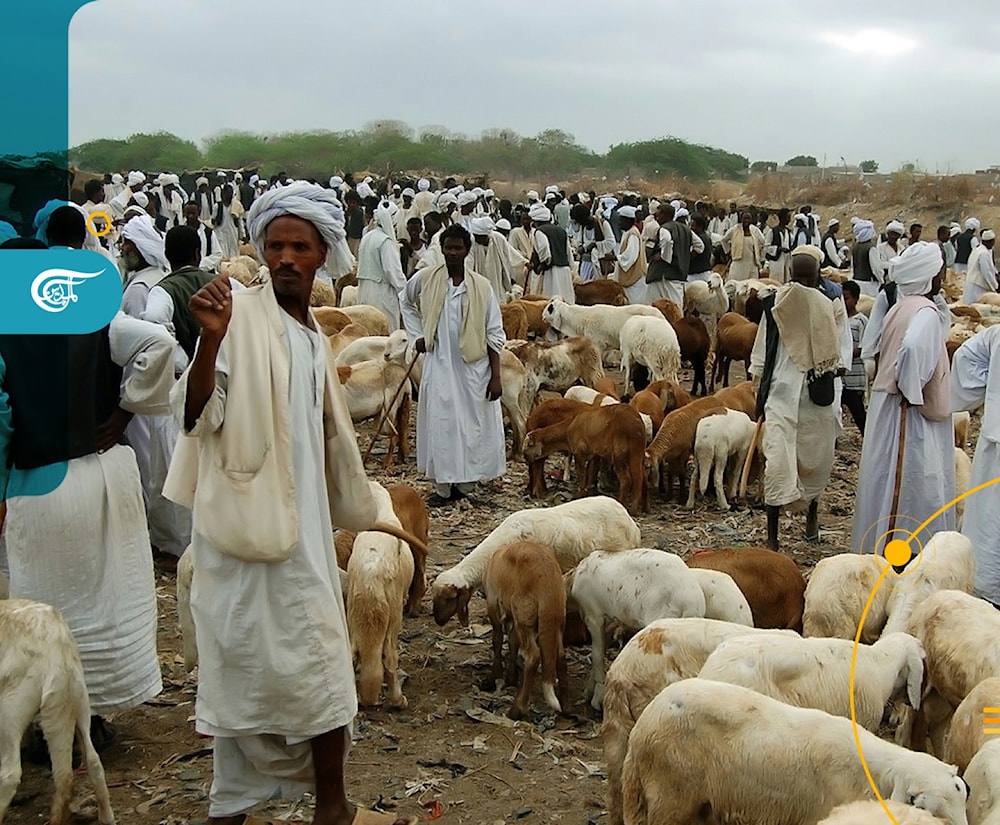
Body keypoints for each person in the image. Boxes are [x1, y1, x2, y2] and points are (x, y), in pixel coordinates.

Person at [163, 182, 414, 825]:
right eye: (274, 244)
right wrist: (210, 340)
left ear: (323, 254)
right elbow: (194, 419)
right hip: (244, 540)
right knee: (250, 680)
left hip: (302, 533)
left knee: (323, 667)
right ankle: (261, 810)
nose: (284, 257)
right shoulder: (235, 319)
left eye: (299, 246)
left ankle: (330, 805)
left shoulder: (308, 333)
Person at [0, 204, 175, 747]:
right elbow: (160, 344)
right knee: (101, 599)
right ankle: (91, 720)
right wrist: (125, 409)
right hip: (104, 475)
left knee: (44, 604)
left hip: (38, 484)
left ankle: (48, 725)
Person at [851, 242, 955, 555]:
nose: (943, 276)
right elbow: (910, 350)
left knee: (884, 477)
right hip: (908, 412)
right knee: (912, 480)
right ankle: (906, 552)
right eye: (939, 271)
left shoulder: (901, 306)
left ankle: (882, 546)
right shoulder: (925, 312)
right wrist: (912, 390)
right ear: (929, 276)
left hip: (891, 405)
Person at [749, 245, 847, 550]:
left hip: (815, 397)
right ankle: (773, 536)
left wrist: (830, 370)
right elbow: (765, 346)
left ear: (818, 275)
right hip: (780, 394)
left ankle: (812, 515)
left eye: (809, 276)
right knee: (776, 460)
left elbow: (841, 351)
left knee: (814, 460)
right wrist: (760, 388)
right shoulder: (776, 304)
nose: (803, 283)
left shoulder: (831, 306)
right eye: (798, 275)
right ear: (790, 274)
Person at [400, 224, 505, 507]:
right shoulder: (426, 279)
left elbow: (494, 332)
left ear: (467, 251)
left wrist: (496, 376)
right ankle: (444, 487)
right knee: (442, 421)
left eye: (459, 248)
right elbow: (406, 301)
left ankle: (466, 482)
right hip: (440, 364)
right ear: (442, 250)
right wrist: (417, 336)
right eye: (449, 248)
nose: (453, 253)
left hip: (473, 368)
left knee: (471, 423)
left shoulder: (482, 287)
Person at [951, 325, 1000, 608]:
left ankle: (987, 590)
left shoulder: (995, 335)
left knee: (991, 517)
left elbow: (964, 360)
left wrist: (988, 392)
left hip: (996, 440)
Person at [356, 200, 406, 331]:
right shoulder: (386, 242)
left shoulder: (367, 237)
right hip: (382, 295)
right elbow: (392, 272)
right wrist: (406, 291)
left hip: (364, 292)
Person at [120, 214, 169, 317]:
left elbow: (135, 330)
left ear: (140, 247)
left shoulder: (139, 289)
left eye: (126, 243)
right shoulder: (160, 273)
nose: (122, 248)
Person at [841, 280, 868, 433]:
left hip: (854, 377)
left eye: (847, 298)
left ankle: (868, 442)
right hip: (840, 379)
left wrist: (845, 354)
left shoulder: (861, 321)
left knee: (858, 414)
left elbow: (864, 346)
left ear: (856, 299)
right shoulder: (839, 320)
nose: (844, 302)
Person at [469, 216, 514, 302]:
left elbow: (508, 259)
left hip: (497, 283)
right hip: (479, 284)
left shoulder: (499, 239)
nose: (476, 238)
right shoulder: (472, 243)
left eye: (478, 236)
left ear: (486, 235)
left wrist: (509, 279)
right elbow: (468, 263)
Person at [611, 205, 647, 304]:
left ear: (628, 221)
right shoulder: (627, 233)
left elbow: (630, 257)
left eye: (621, 220)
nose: (619, 223)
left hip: (634, 280)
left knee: (634, 305)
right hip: (630, 278)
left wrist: (615, 257)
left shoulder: (633, 234)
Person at [721, 211, 765, 281]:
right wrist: (728, 251)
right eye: (744, 218)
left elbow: (763, 242)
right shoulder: (735, 229)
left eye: (748, 219)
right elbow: (723, 240)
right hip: (738, 263)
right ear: (741, 219)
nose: (746, 220)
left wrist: (758, 251)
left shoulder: (754, 230)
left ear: (751, 220)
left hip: (752, 264)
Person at [961, 229, 997, 305]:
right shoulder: (983, 254)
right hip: (978, 287)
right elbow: (987, 272)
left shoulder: (977, 250)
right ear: (990, 241)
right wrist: (994, 286)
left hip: (971, 283)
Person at [763, 209, 792, 283]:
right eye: (788, 217)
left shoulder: (788, 232)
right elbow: (766, 247)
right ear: (782, 218)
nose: (789, 220)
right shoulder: (772, 231)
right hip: (776, 261)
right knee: (775, 282)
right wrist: (778, 249)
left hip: (786, 261)